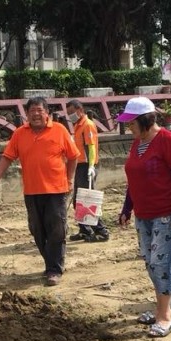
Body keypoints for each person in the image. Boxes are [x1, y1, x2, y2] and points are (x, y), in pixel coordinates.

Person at [116, 98, 171, 338]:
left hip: (165, 214)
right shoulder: (137, 144)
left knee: (161, 262)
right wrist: (127, 207)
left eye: (131, 123)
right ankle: (160, 307)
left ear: (145, 120)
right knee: (150, 261)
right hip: (144, 214)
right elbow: (134, 180)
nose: (129, 128)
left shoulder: (168, 140)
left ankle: (165, 315)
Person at [0, 96, 79, 286]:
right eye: (32, 111)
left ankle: (54, 269)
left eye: (40, 110)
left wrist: (69, 179)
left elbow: (73, 157)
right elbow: (7, 157)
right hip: (32, 190)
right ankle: (50, 263)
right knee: (37, 230)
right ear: (27, 114)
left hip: (56, 190)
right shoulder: (20, 134)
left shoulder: (59, 130)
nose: (36, 114)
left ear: (47, 113)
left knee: (56, 229)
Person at [65, 99, 109, 242]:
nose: (70, 116)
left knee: (87, 200)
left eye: (72, 112)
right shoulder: (78, 125)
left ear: (79, 110)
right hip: (80, 165)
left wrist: (91, 166)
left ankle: (101, 231)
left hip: (86, 166)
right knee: (78, 200)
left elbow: (91, 147)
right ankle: (85, 230)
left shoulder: (87, 125)